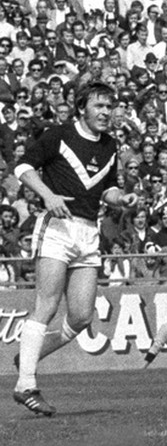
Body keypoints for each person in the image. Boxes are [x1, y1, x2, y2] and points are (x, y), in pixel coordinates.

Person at [11, 81, 139, 417]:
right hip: (56, 229)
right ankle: (26, 383)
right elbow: (22, 167)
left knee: (81, 317)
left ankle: (29, 357)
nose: (106, 112)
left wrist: (121, 200)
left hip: (88, 233)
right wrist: (47, 196)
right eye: (99, 106)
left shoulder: (110, 145)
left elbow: (108, 188)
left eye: (110, 107)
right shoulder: (59, 134)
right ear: (82, 107)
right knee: (47, 304)